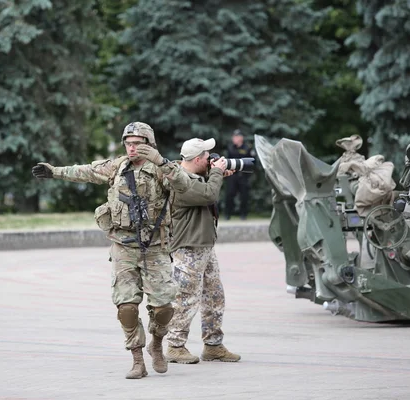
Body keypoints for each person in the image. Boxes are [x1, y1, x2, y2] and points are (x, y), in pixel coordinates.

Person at [32, 122, 191, 379]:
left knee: (163, 308)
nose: (131, 147)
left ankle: (157, 345)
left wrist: (161, 162)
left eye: (137, 143)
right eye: (128, 143)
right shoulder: (117, 167)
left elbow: (185, 186)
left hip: (155, 247)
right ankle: (137, 359)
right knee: (126, 306)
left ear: (149, 143)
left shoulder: (163, 168)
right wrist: (54, 171)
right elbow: (84, 171)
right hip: (123, 246)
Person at [165, 137, 241, 364]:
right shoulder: (179, 180)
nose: (212, 159)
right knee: (185, 298)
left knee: (214, 296)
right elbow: (207, 195)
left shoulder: (195, 177)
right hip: (188, 248)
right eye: (208, 156)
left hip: (204, 246)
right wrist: (217, 174)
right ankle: (175, 346)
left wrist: (216, 176)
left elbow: (204, 189)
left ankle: (213, 345)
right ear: (197, 159)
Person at [224, 129, 255, 220]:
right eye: (234, 137)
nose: (235, 139)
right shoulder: (230, 148)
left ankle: (243, 214)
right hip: (232, 175)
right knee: (229, 194)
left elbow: (252, 161)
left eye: (237, 137)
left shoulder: (247, 148)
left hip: (243, 175)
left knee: (244, 195)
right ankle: (227, 214)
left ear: (241, 138)